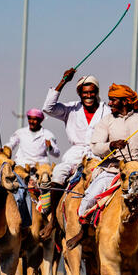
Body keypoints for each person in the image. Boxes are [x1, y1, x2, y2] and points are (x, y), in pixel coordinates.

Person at [66, 83, 138, 249]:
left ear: (125, 101)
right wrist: (111, 145)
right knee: (88, 198)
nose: (109, 103)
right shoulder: (106, 121)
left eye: (113, 100)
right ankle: (83, 231)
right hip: (113, 170)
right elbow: (95, 146)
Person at [39, 68, 111, 239]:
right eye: (85, 92)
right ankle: (53, 222)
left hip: (98, 156)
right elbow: (48, 108)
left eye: (92, 92)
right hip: (75, 154)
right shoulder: (71, 108)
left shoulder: (106, 111)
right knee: (58, 173)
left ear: (96, 92)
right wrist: (63, 81)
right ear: (80, 93)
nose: (88, 95)